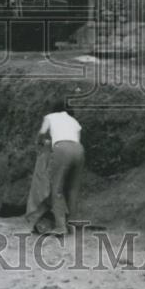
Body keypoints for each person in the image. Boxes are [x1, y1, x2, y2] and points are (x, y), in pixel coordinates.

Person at [37, 99, 84, 235]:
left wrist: (40, 142)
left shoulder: (50, 117)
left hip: (61, 149)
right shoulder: (74, 121)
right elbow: (75, 139)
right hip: (79, 150)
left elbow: (42, 132)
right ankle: (72, 225)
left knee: (57, 189)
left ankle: (60, 226)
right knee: (72, 189)